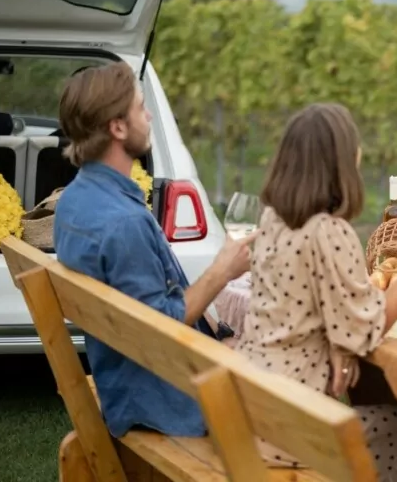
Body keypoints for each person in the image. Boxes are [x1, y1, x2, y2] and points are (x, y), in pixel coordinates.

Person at [234, 103, 397, 480]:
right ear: (340, 161)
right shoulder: (329, 231)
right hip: (294, 428)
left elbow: (322, 308)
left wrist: (338, 342)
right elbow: (373, 325)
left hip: (254, 406)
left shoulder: (273, 218)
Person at [53, 62, 255, 439]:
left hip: (125, 380)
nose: (147, 116)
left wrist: (219, 333)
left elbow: (147, 306)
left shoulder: (75, 201)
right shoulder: (124, 222)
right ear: (117, 127)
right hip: (168, 401)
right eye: (140, 107)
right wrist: (222, 271)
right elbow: (160, 325)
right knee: (306, 367)